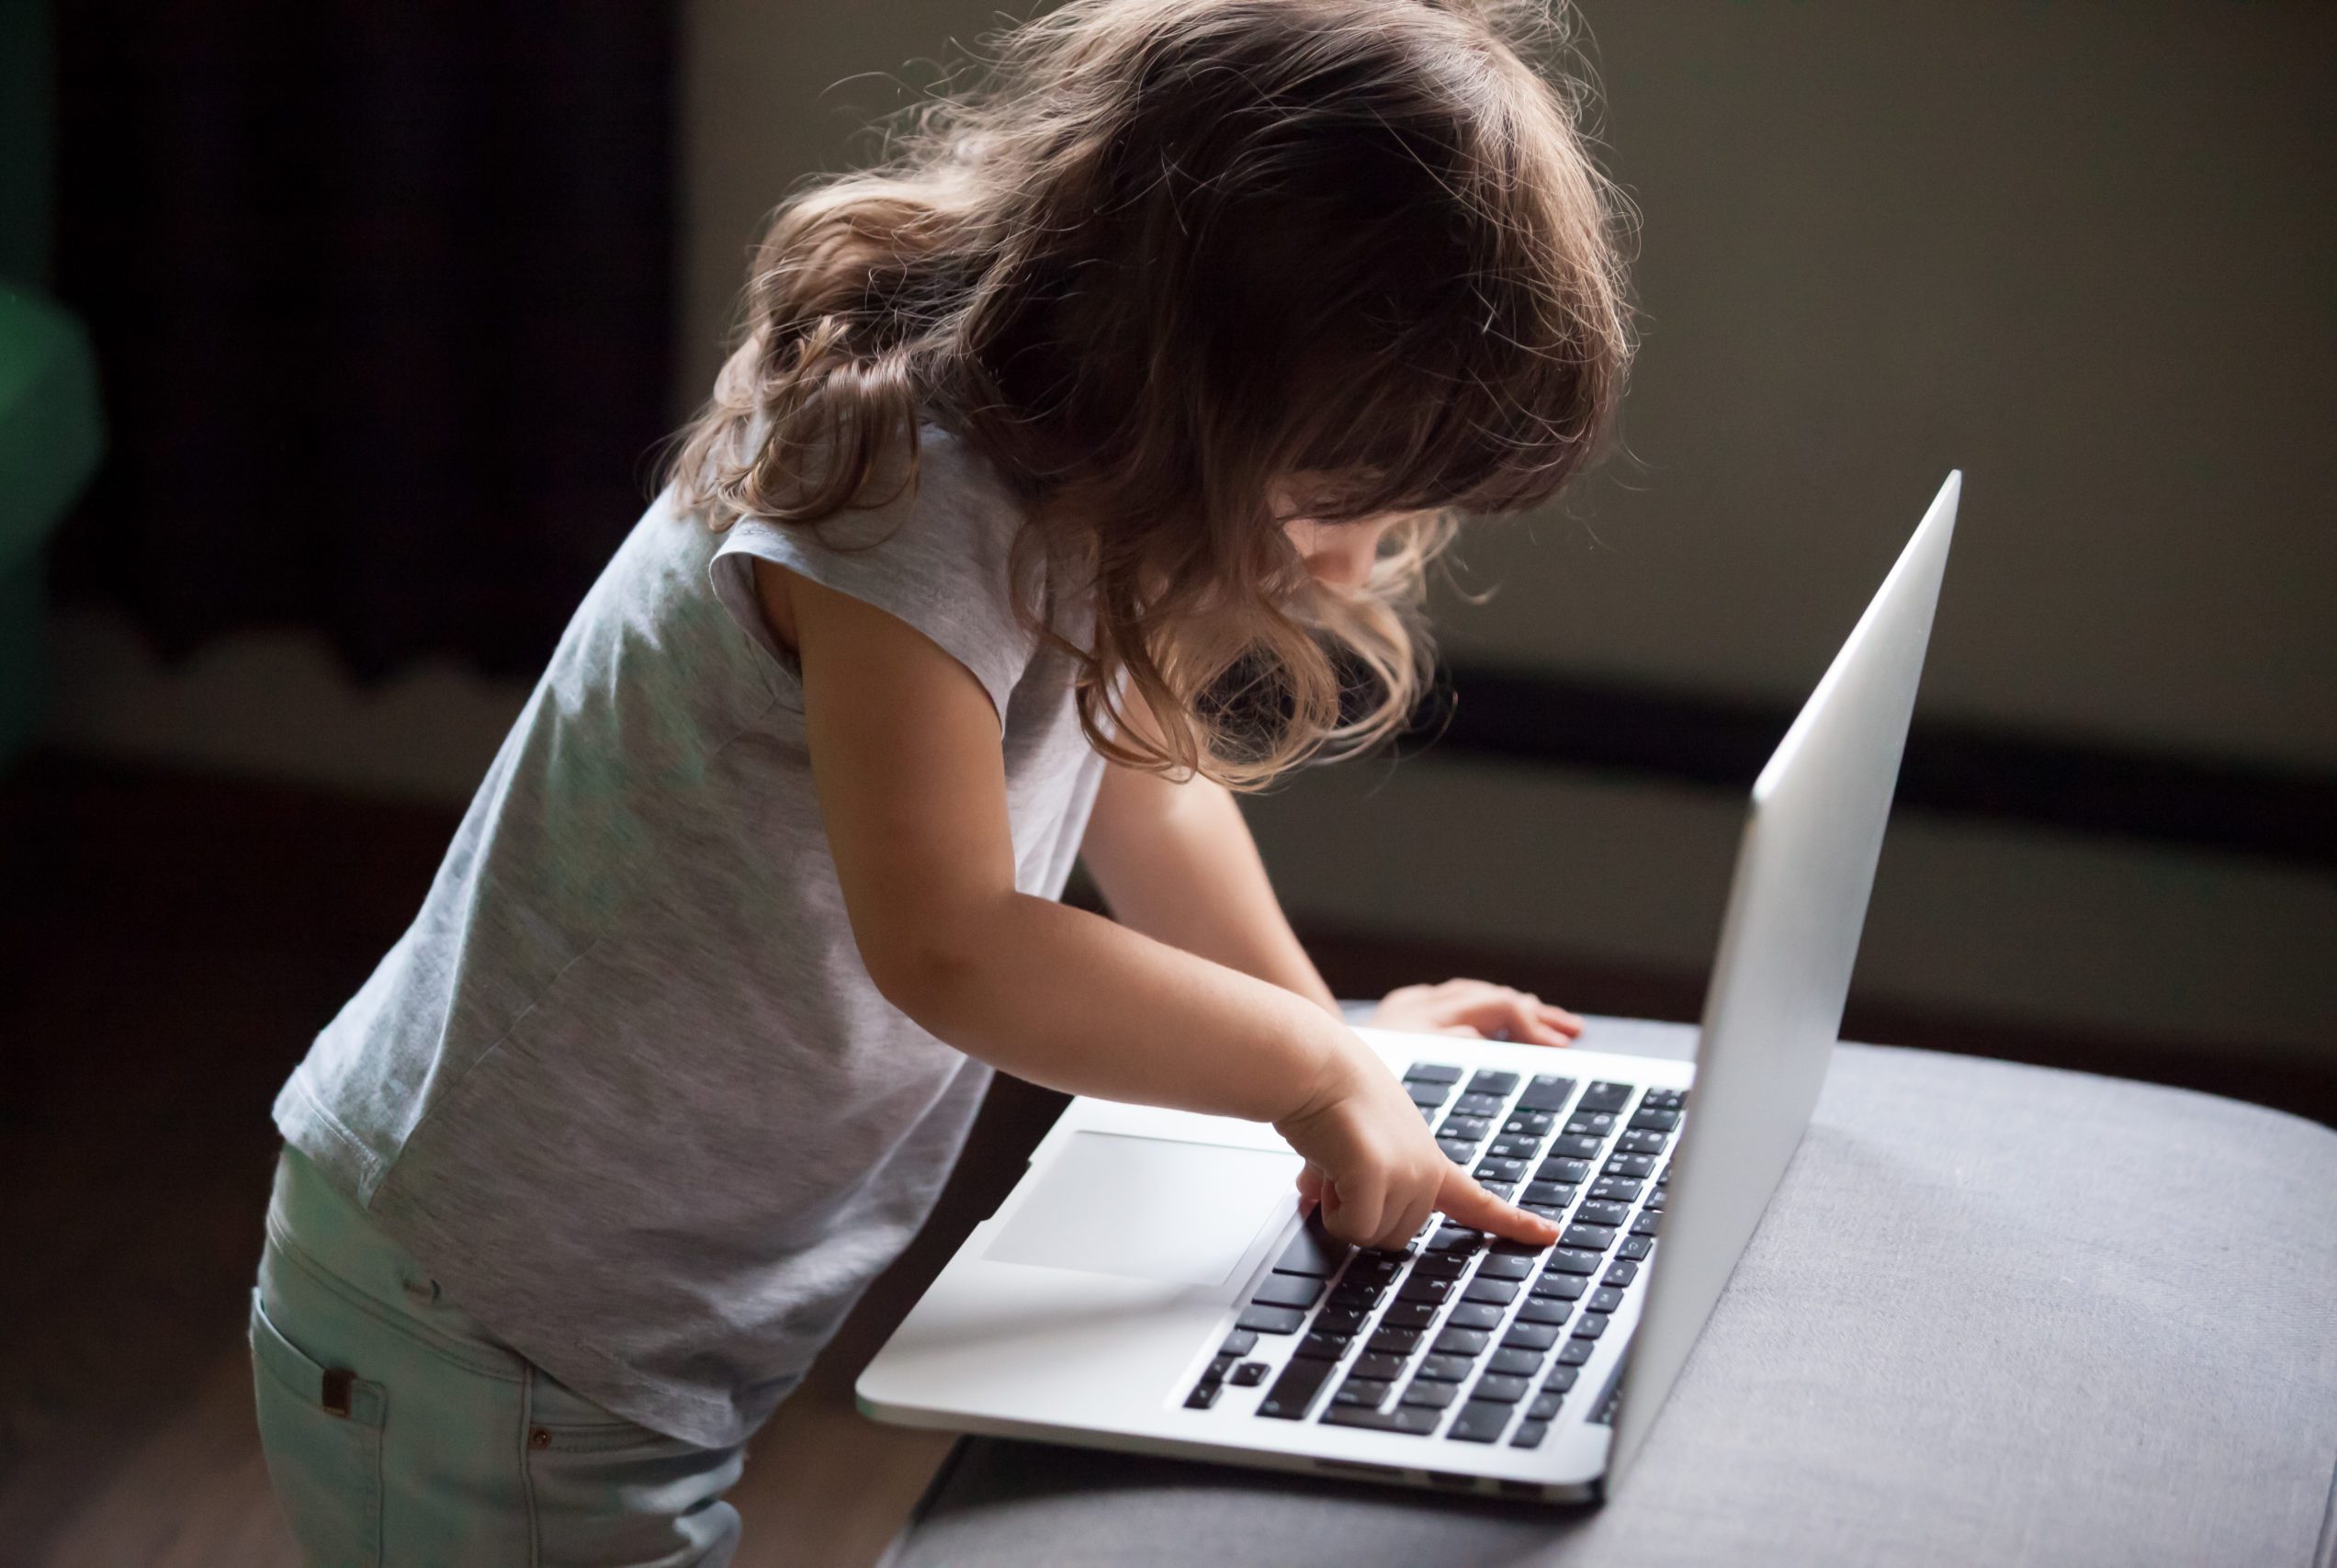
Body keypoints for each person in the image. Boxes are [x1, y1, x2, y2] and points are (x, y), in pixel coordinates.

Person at [247, 0, 1634, 1560]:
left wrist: (1335, 1051)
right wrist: (1310, 1076)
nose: (1352, 566)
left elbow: (1140, 783)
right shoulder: (905, 485)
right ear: (1196, 377)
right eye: (1333, 493)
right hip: (487, 1312)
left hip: (608, 1318)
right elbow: (955, 943)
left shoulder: (1079, 463)